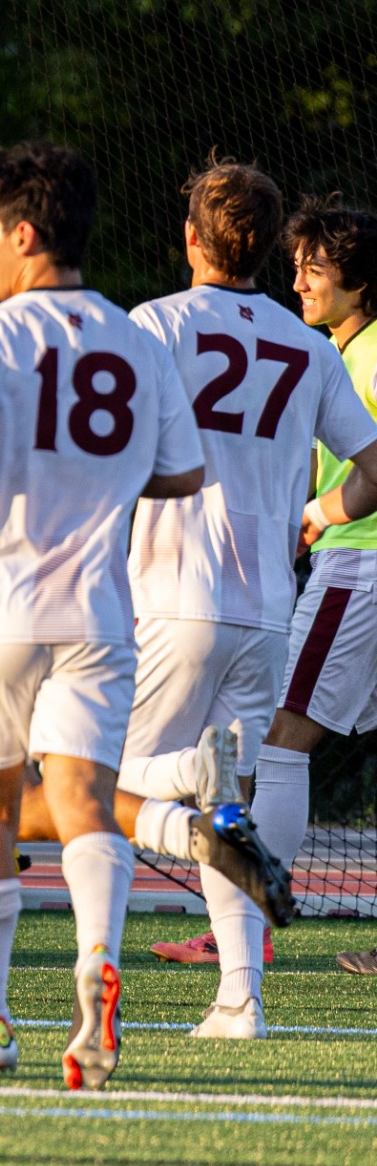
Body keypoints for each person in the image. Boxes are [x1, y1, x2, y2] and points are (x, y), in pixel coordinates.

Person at [21, 167, 377, 1034]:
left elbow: (96, 447)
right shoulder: (314, 349)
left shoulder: (158, 325)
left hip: (172, 597)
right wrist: (311, 515)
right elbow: (373, 469)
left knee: (79, 782)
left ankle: (94, 985)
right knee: (225, 808)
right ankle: (240, 998)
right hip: (266, 610)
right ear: (264, 248)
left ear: (192, 239)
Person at [0, 142, 206, 1090]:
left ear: (29, 234)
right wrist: (102, 483)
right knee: (85, 799)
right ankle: (94, 961)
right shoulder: (135, 338)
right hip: (98, 610)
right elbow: (185, 471)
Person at [224, 202, 377, 980]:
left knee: (281, 741)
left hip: (360, 569)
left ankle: (249, 928)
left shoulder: (368, 354)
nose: (299, 280)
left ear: (359, 280)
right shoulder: (331, 352)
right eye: (296, 265)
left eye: (316, 266)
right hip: (351, 567)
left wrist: (314, 514)